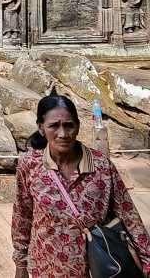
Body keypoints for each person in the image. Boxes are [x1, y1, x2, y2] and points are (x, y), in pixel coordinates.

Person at [12, 93, 150, 278]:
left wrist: (147, 262)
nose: (63, 133)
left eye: (69, 125)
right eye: (54, 126)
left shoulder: (101, 166)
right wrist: (21, 265)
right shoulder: (30, 164)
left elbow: (129, 215)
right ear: (41, 128)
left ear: (77, 126)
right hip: (45, 268)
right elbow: (22, 216)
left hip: (97, 267)